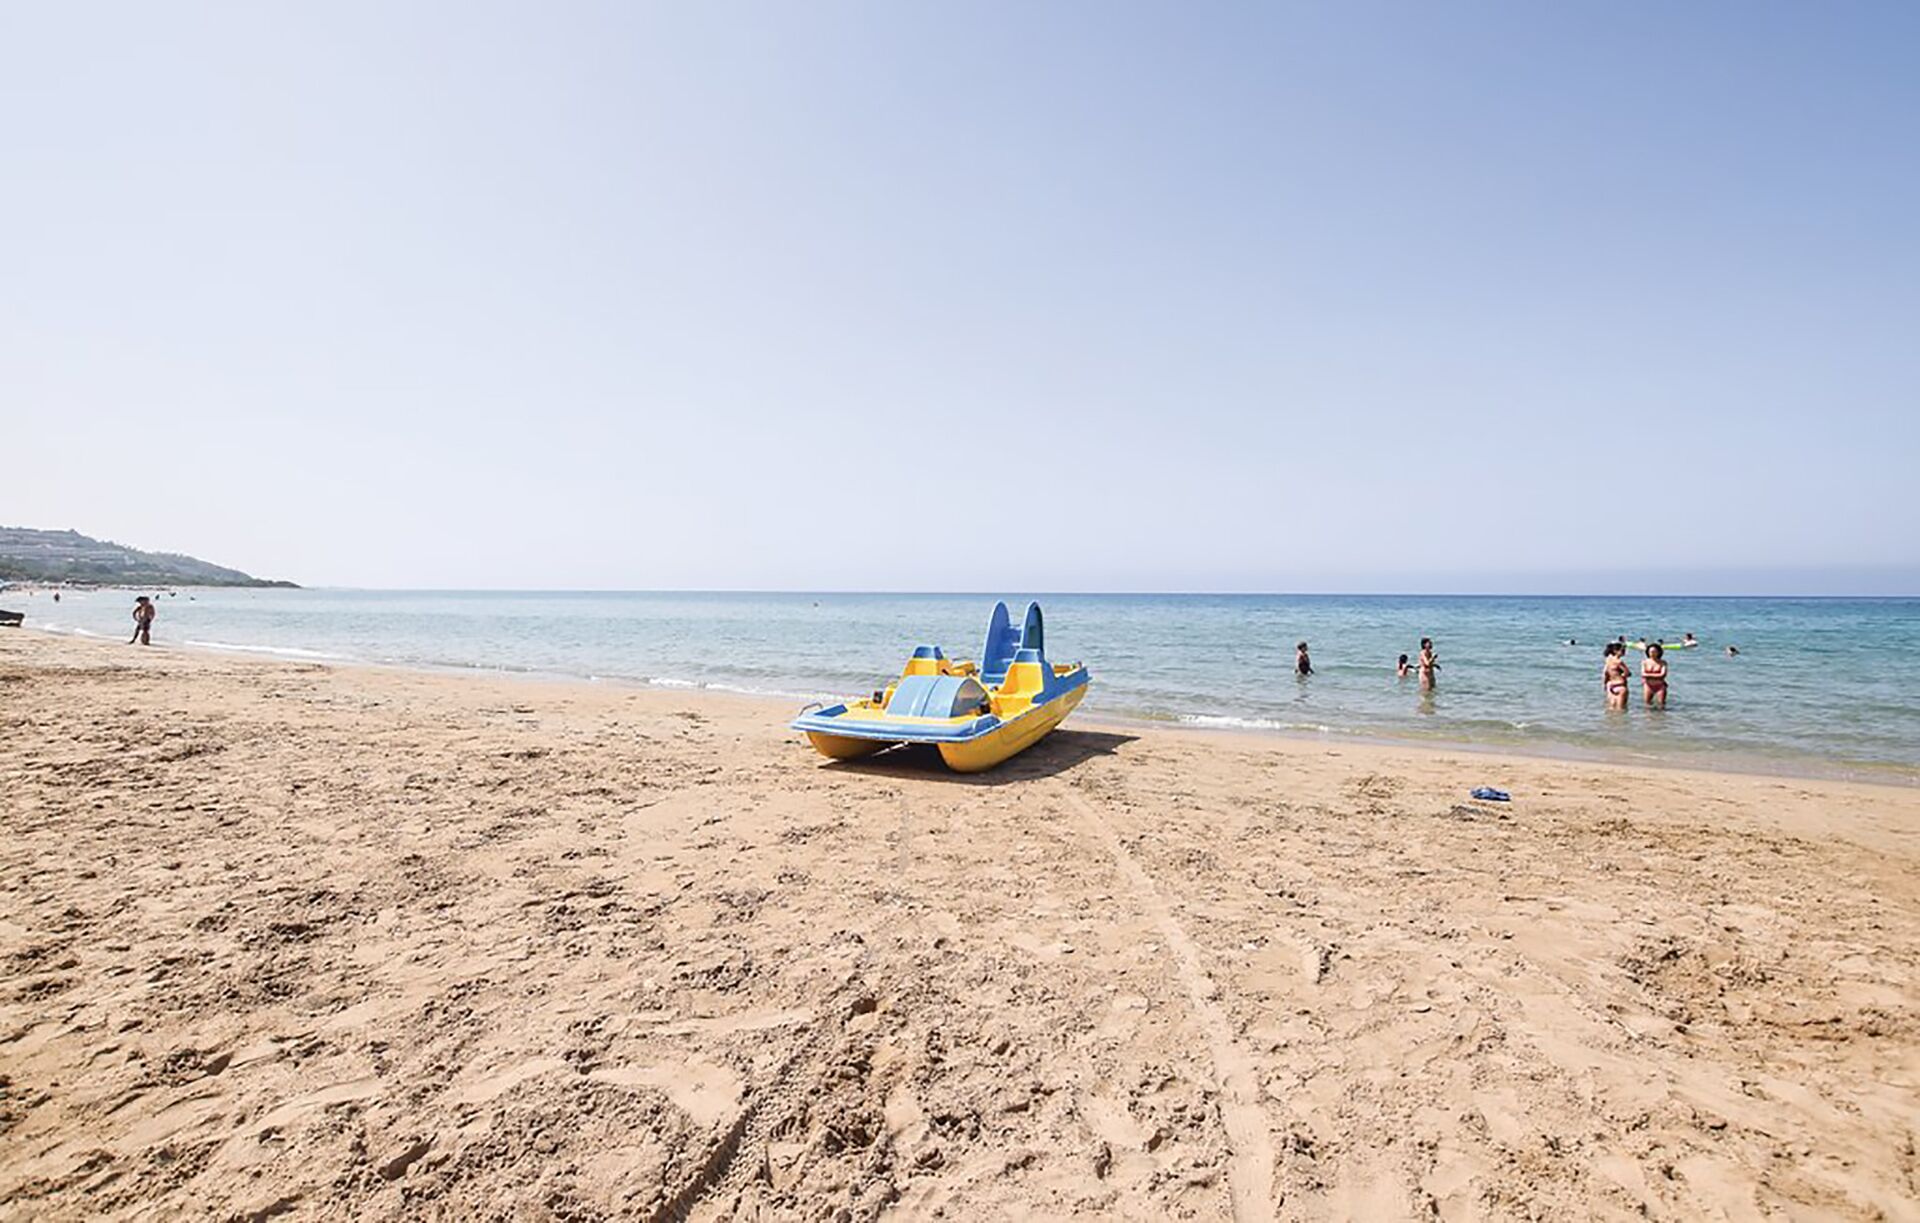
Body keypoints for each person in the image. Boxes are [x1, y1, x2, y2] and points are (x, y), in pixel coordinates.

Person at [1602, 642, 1631, 710]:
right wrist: (1623, 675)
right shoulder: (1619, 662)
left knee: (1611, 708)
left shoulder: (1608, 660)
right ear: (1615, 651)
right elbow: (1627, 673)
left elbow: (1605, 673)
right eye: (1622, 650)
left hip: (1611, 686)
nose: (1624, 652)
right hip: (1620, 685)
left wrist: (1604, 684)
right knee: (1621, 709)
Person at [1642, 642, 1669, 707]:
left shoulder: (1663, 662)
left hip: (1660, 685)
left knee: (1661, 705)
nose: (1652, 653)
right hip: (1648, 685)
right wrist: (1657, 675)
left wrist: (1648, 675)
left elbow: (1663, 675)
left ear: (1659, 652)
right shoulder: (1645, 662)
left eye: (1654, 652)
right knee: (1647, 705)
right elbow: (1643, 674)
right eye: (1650, 652)